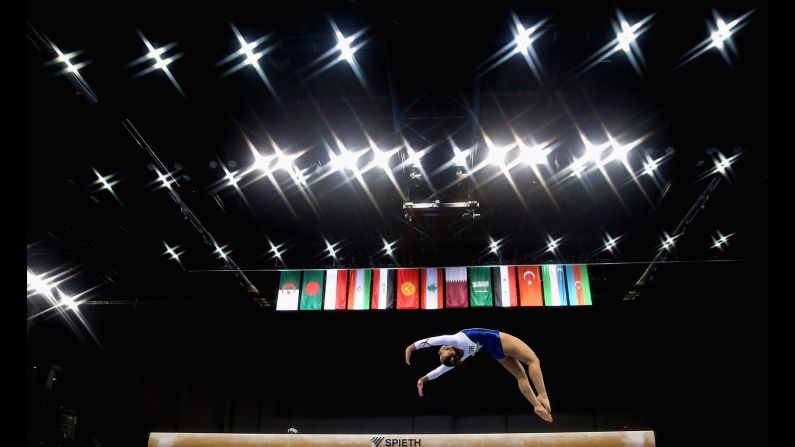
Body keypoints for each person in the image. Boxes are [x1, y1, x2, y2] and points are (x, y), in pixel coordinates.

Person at [405, 328, 553, 422]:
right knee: (533, 360)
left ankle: (536, 405)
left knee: (521, 377)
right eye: (440, 353)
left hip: (495, 353)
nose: (439, 351)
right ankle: (542, 395)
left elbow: (441, 370)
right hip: (499, 340)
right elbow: (432, 341)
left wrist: (423, 379)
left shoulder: (461, 358)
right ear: (450, 351)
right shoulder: (455, 341)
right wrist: (411, 348)